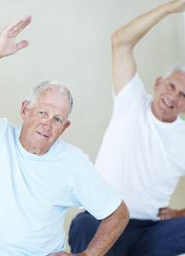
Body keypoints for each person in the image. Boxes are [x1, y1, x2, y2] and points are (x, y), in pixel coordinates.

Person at [0, 15, 129, 256]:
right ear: (24, 110)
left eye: (57, 119)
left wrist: (87, 255)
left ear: (65, 127)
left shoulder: (73, 162)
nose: (47, 124)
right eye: (42, 112)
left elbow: (118, 213)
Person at [68, 1, 185, 255]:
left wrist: (180, 212)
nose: (174, 97)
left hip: (149, 232)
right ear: (157, 83)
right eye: (171, 86)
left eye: (184, 96)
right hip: (104, 220)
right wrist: (169, 9)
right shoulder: (131, 101)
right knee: (84, 225)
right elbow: (120, 41)